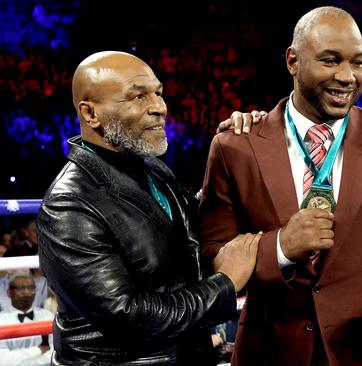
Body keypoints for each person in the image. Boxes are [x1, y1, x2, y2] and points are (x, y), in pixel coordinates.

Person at [199, 6, 362, 365]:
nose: (347, 76)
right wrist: (278, 246)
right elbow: (212, 255)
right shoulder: (237, 145)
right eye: (330, 61)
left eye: (357, 63)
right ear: (293, 61)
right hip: (269, 352)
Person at [36, 51, 260, 365]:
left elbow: (193, 236)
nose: (159, 107)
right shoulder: (69, 204)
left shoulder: (151, 168)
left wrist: (232, 156)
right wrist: (224, 285)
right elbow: (130, 317)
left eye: (157, 93)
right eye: (138, 96)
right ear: (90, 114)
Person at [0, 273, 52, 365]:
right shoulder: (1, 320)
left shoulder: (47, 316)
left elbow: (55, 352)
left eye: (31, 288)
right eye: (20, 288)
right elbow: (3, 360)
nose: (26, 292)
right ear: (9, 292)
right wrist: (38, 350)